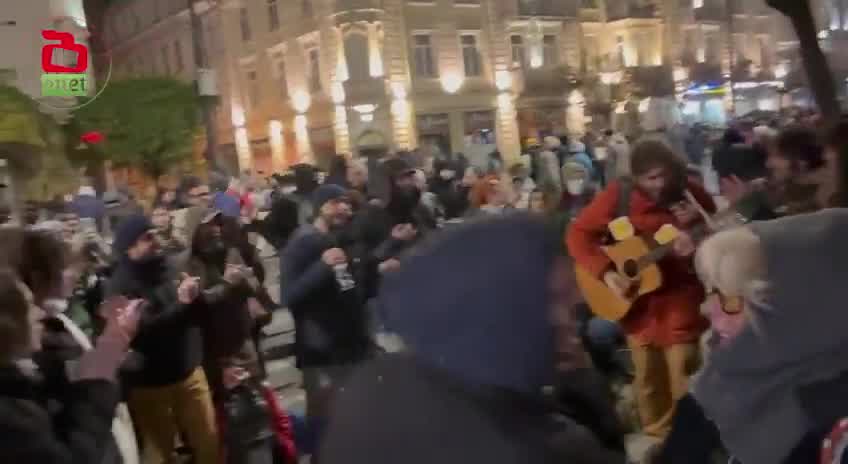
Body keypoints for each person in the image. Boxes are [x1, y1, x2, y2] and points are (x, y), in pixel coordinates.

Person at [320, 214, 626, 464]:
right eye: (553, 300)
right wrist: (585, 387)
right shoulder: (541, 444)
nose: (569, 319)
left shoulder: (374, 390)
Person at [656, 209, 848, 464]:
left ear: (793, 309)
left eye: (731, 301)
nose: (709, 313)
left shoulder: (826, 423)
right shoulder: (721, 380)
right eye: (712, 294)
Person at [567, 140, 715, 440]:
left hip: (681, 298)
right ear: (635, 177)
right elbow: (578, 234)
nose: (659, 184)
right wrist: (606, 273)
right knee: (647, 378)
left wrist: (697, 231)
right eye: (650, 178)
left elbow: (716, 233)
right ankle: (657, 439)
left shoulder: (689, 192)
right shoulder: (618, 195)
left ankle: (691, 441)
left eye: (663, 175)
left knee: (684, 371)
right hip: (638, 306)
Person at [106, 215, 219, 464]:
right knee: (160, 454)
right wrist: (182, 303)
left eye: (154, 234)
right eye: (147, 237)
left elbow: (196, 313)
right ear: (129, 246)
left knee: (209, 443)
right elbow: (145, 331)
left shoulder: (170, 267)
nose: (155, 241)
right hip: (150, 385)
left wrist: (195, 296)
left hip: (189, 374)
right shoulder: (119, 286)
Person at [0, 267, 142, 464]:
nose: (39, 313)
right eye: (29, 305)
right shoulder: (11, 420)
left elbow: (68, 373)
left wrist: (110, 354)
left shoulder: (26, 367)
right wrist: (100, 380)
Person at [280, 185, 374, 456]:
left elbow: (347, 291)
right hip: (321, 352)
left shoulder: (333, 239)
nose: (345, 207)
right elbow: (289, 296)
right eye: (337, 202)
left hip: (347, 347)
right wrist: (323, 266)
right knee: (325, 429)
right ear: (322, 207)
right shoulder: (302, 241)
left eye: (347, 202)